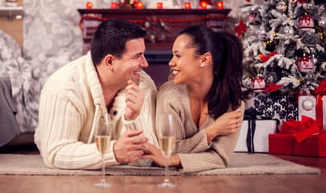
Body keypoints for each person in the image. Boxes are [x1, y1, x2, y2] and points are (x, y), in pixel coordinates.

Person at [35, 19, 158, 169]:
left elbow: (146, 160)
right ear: (110, 62)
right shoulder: (64, 88)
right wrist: (111, 152)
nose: (145, 63)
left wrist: (131, 119)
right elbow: (55, 154)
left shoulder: (142, 85)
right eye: (137, 56)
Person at [143, 25, 245, 172]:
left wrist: (173, 160)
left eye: (178, 55)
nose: (171, 62)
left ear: (204, 59)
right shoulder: (169, 95)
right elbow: (169, 149)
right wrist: (211, 132)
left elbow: (220, 158)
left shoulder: (233, 103)